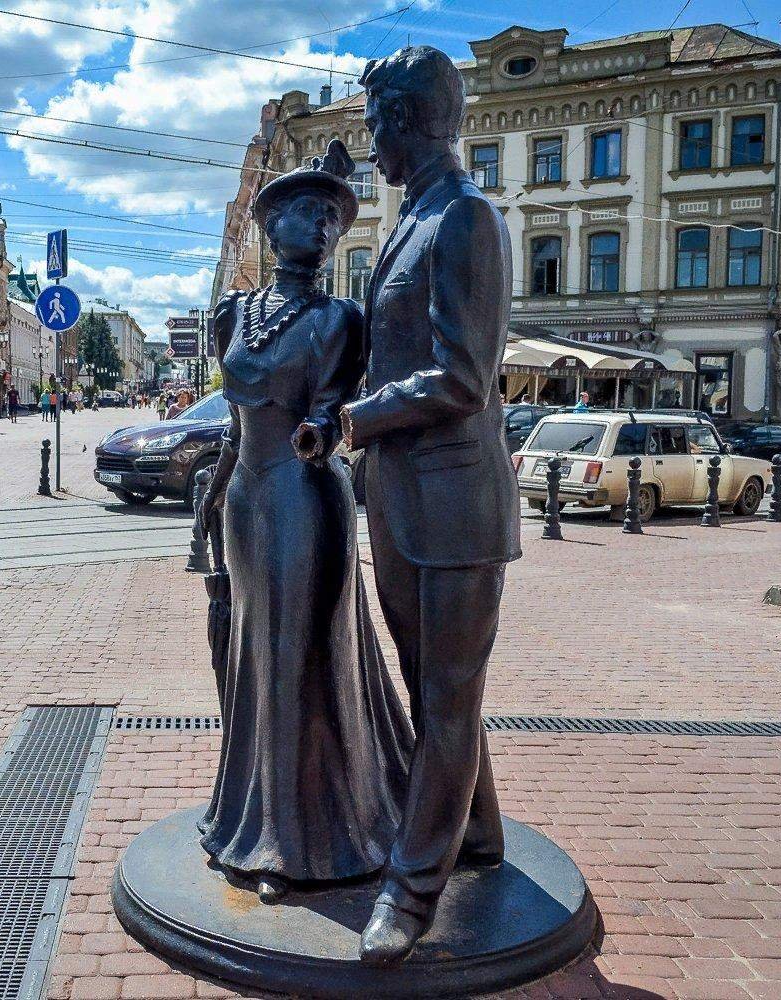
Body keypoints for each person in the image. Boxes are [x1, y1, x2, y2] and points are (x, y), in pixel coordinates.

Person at [339, 47, 518, 963]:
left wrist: (357, 419)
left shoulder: (467, 221)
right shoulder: (408, 224)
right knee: (435, 689)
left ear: (410, 118)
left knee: (447, 698)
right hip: (404, 505)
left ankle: (411, 894)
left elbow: (464, 375)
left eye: (374, 125)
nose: (370, 146)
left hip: (456, 508)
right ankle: (476, 831)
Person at [199, 138, 410, 905]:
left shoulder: (338, 320)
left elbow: (331, 407)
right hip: (247, 501)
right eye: (305, 212)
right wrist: (209, 504)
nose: (321, 227)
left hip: (303, 494)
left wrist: (327, 429)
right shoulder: (232, 316)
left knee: (294, 659)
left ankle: (292, 843)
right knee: (253, 657)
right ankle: (245, 820)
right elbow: (232, 423)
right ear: (270, 223)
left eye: (331, 216)